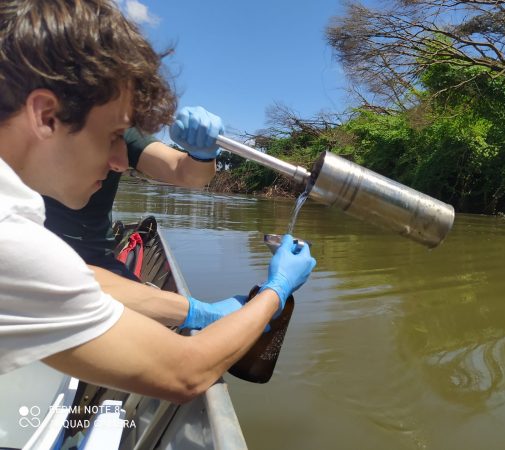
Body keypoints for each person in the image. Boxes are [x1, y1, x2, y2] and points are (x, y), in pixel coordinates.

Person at [0, 0, 316, 404]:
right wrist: (276, 288)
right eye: (113, 135)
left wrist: (203, 155)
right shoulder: (10, 233)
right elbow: (185, 372)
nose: (120, 162)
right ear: (45, 116)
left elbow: (84, 276)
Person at [43, 106, 248, 331]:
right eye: (110, 139)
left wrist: (202, 155)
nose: (122, 164)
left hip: (98, 260)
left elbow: (185, 173)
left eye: (119, 138)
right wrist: (195, 312)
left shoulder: (114, 120)